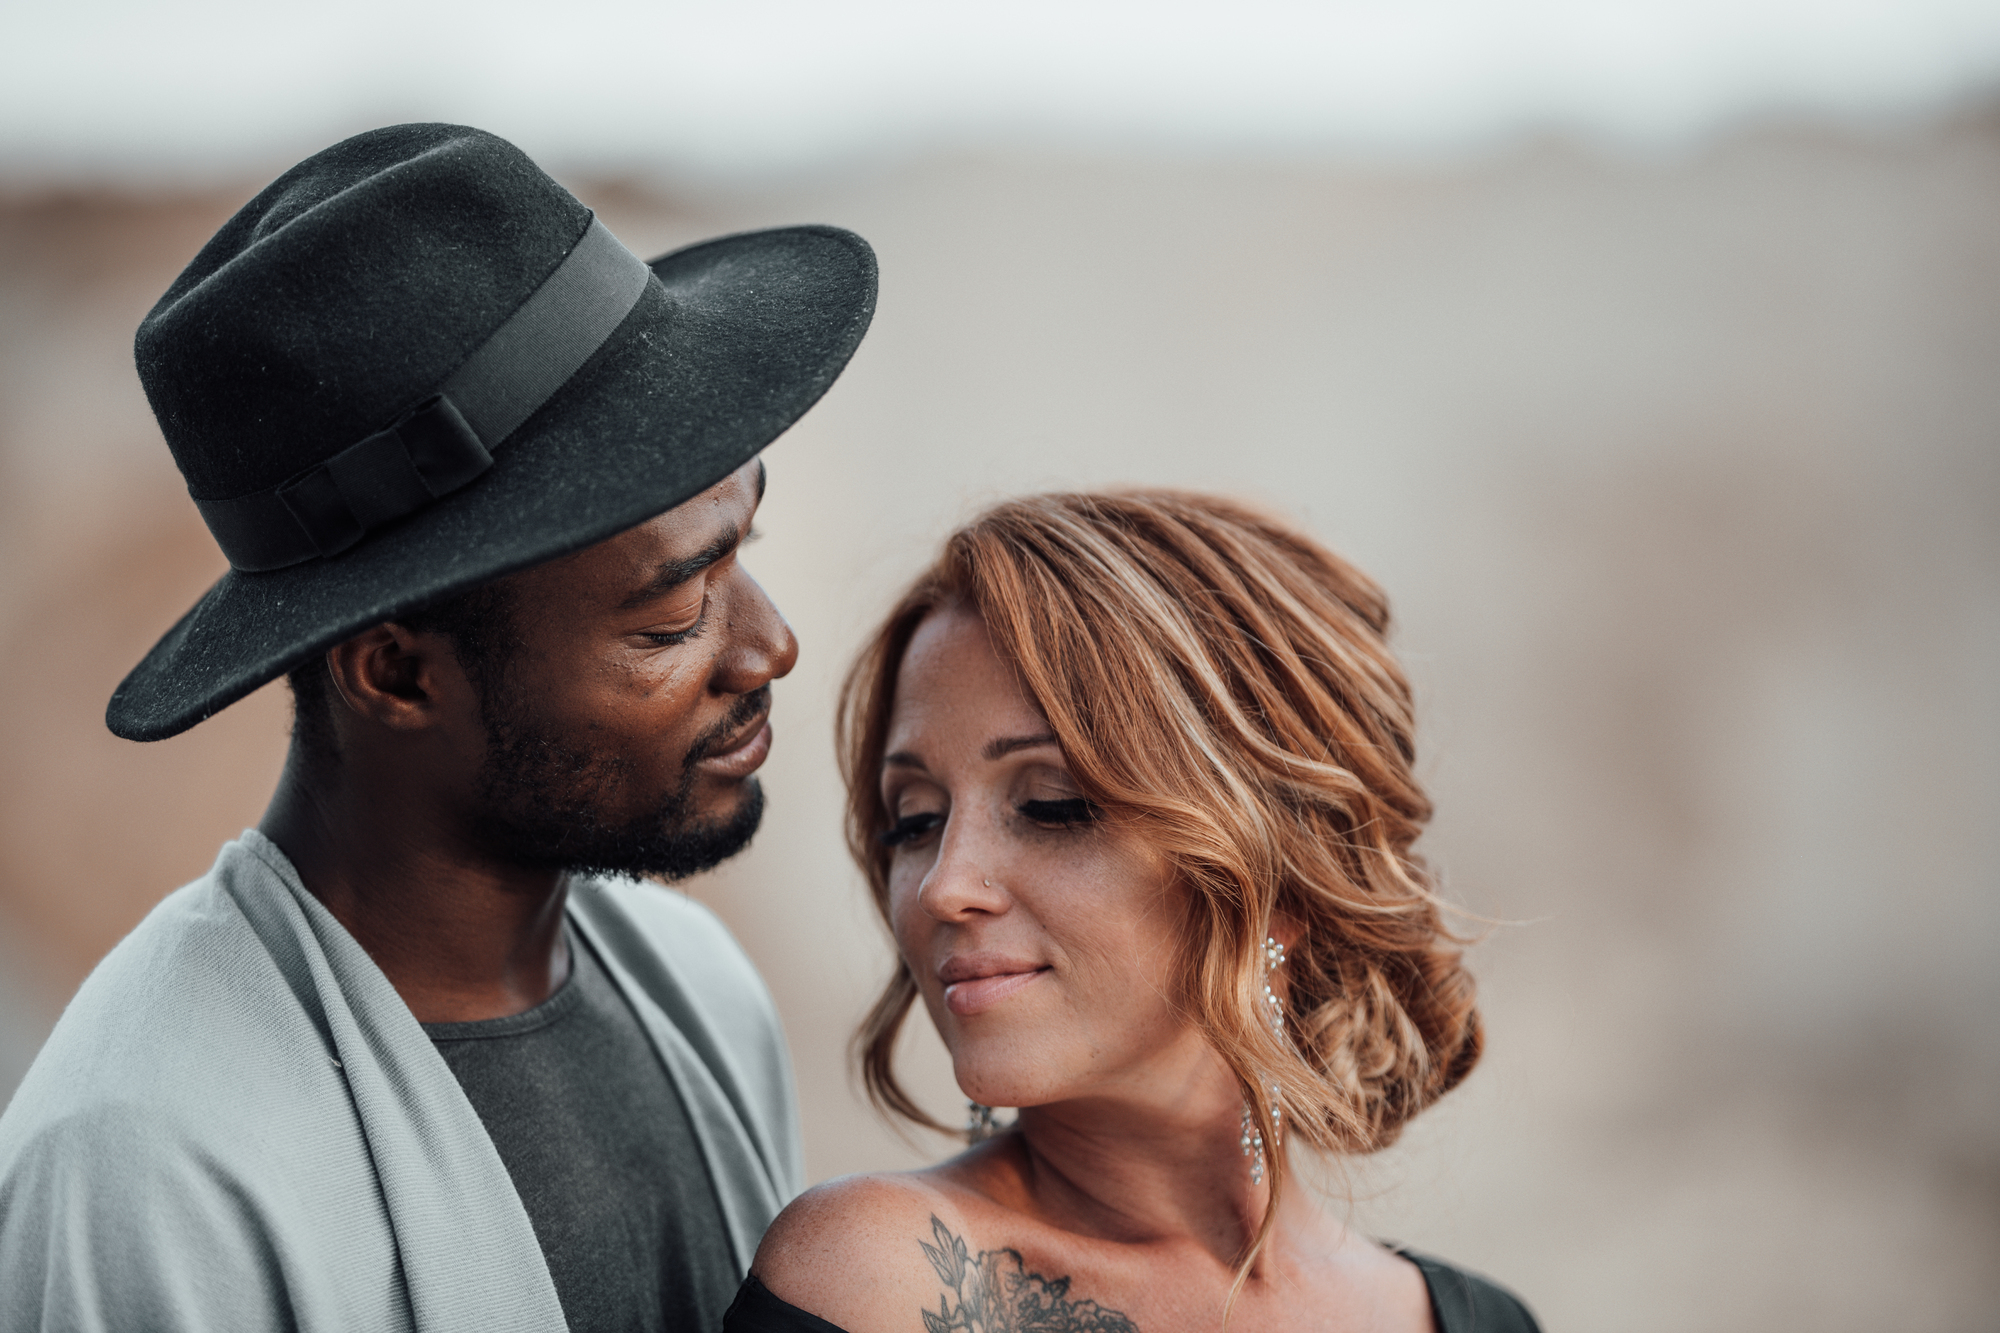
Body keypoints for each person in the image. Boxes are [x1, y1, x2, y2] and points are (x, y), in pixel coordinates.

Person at [0, 123, 876, 1331]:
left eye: (746, 550)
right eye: (673, 612)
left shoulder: (699, 992)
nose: (769, 646)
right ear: (398, 674)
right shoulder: (146, 1164)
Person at [726, 491, 1538, 1332]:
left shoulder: (1479, 1320)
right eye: (916, 820)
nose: (943, 884)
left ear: (1288, 869)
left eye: (1051, 802)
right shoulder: (881, 1281)